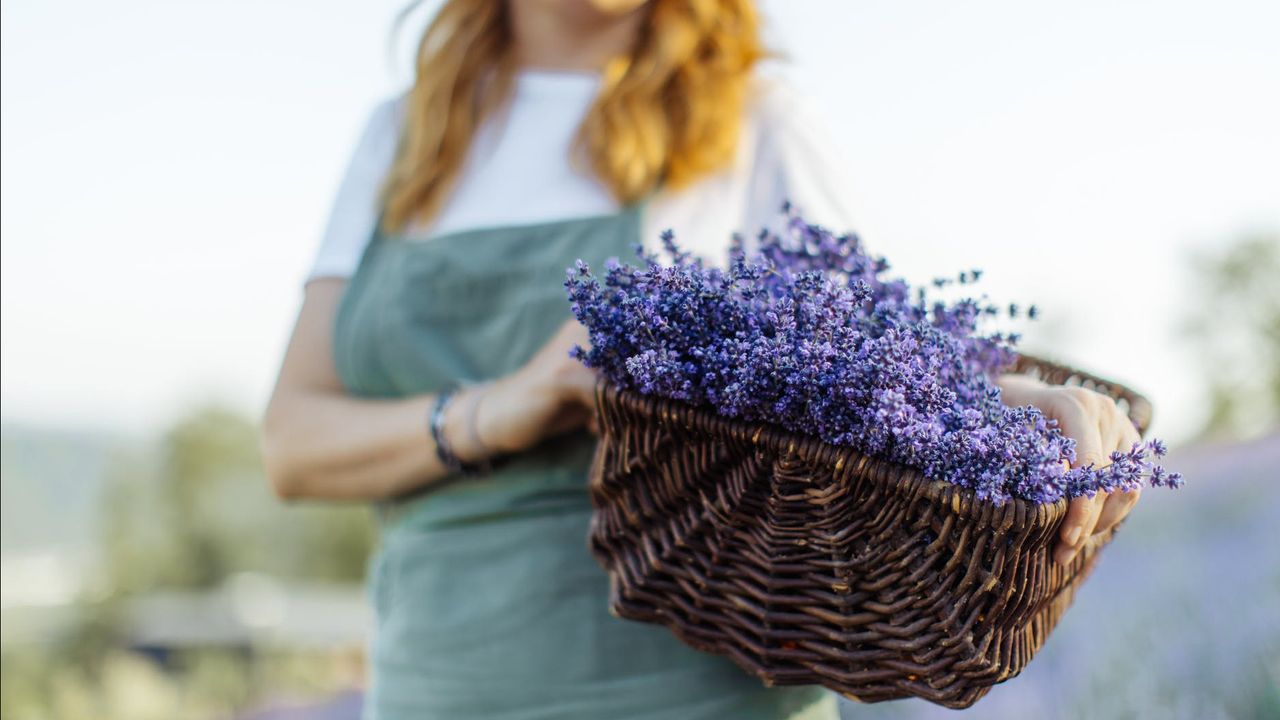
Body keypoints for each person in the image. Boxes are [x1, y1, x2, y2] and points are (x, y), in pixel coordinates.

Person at [263, 1, 1143, 718]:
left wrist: (1015, 406)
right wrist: (502, 406)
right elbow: (292, 444)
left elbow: (877, 362)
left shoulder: (751, 117)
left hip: (684, 694)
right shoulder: (405, 137)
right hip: (434, 694)